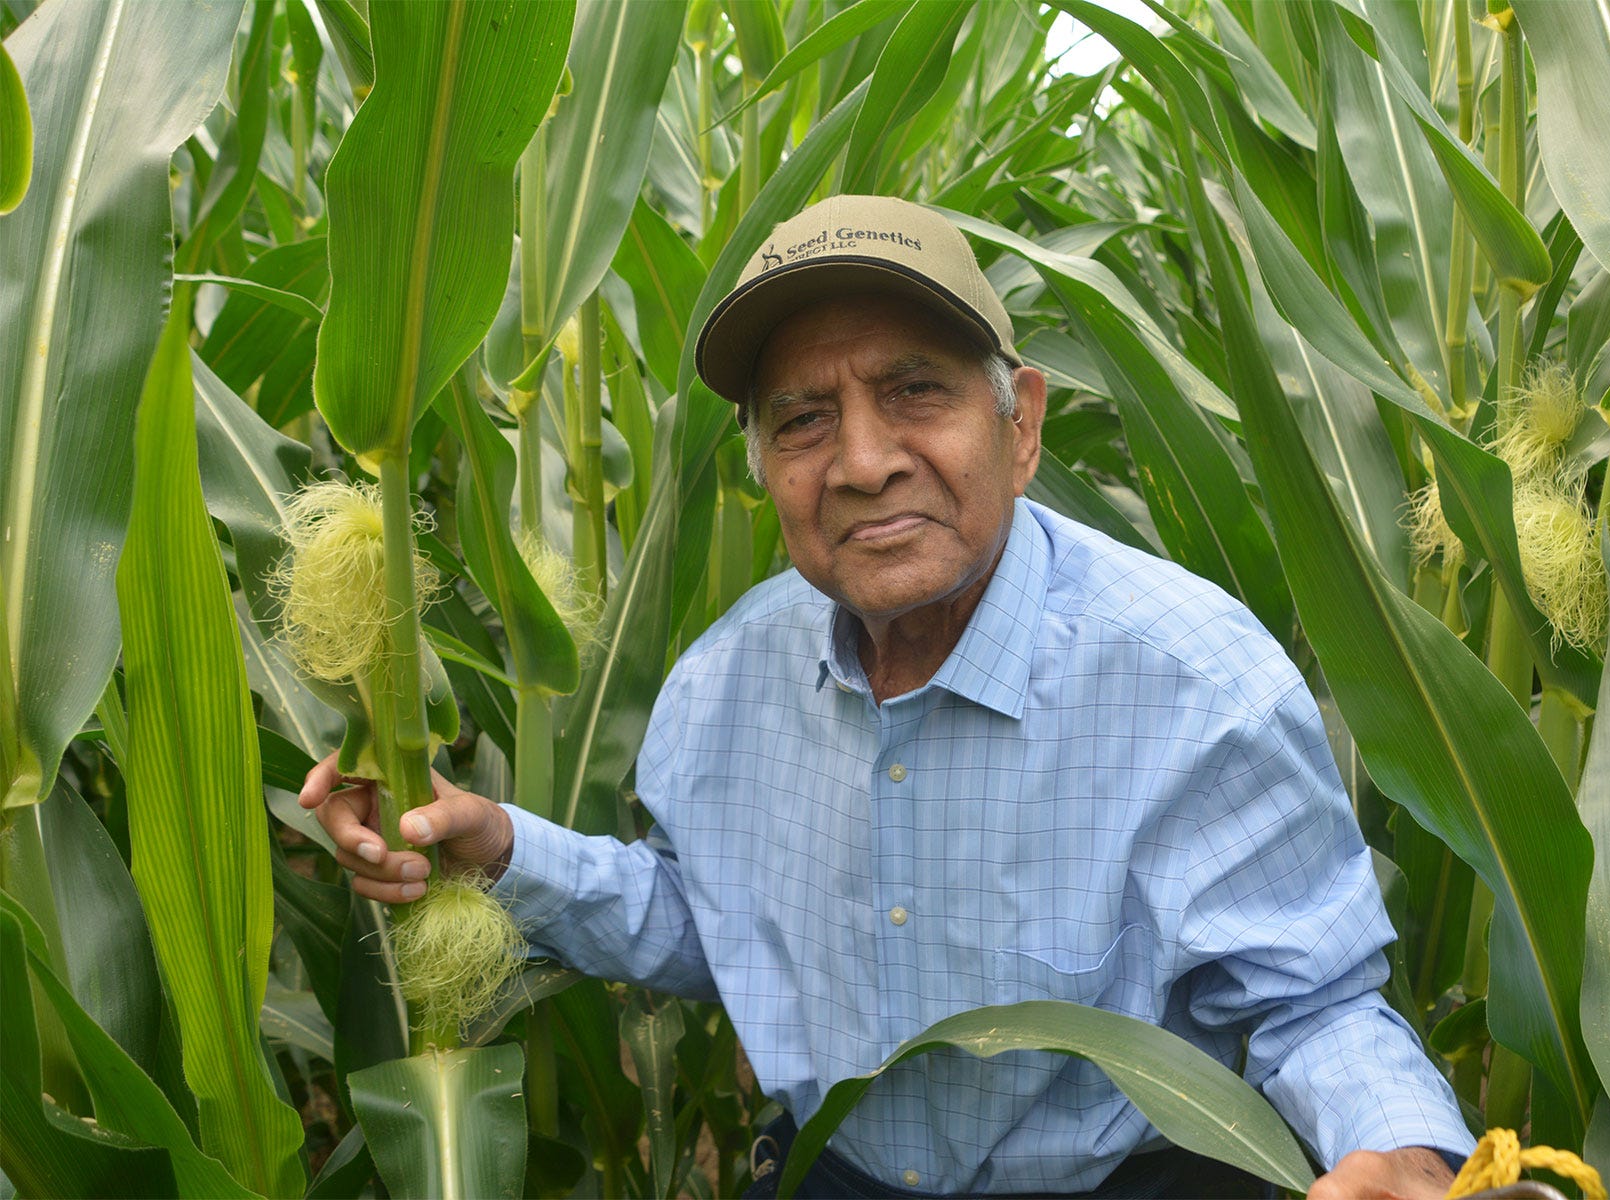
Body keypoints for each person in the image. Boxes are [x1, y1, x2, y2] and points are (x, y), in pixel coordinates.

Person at [301, 194, 1474, 1199]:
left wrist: (1410, 1157)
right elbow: (705, 921)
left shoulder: (1193, 681)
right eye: (804, 420)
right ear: (762, 467)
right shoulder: (729, 679)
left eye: (915, 392)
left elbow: (1312, 1008)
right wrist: (496, 845)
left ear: (1022, 424)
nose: (862, 461)